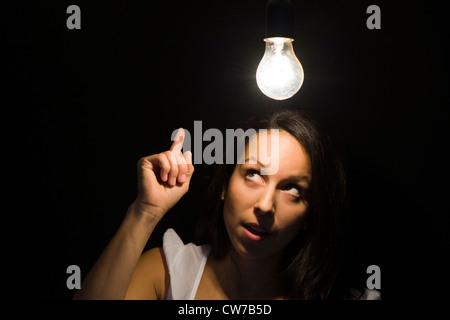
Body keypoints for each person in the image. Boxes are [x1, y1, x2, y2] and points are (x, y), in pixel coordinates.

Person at [73, 109, 380, 300]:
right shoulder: (167, 273)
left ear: (312, 214)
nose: (265, 205)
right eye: (254, 174)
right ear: (223, 184)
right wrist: (145, 212)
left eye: (292, 189)